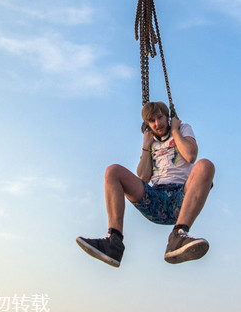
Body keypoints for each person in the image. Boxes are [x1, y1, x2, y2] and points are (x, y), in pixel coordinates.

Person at [76, 101, 215, 267]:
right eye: (152, 121)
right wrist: (146, 146)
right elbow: (143, 177)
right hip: (156, 200)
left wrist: (175, 130)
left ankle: (179, 235)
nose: (157, 123)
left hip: (182, 198)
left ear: (167, 117)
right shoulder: (150, 141)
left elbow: (191, 155)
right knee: (112, 171)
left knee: (205, 165)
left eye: (160, 117)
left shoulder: (183, 129)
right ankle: (114, 241)